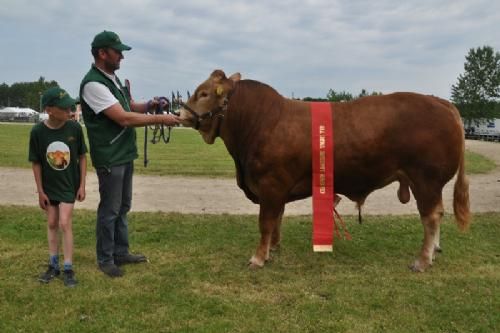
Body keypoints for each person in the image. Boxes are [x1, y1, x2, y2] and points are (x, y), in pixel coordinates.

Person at [80, 30, 180, 278]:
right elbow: (123, 118)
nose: (122, 57)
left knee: (123, 206)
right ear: (102, 53)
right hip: (110, 155)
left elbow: (128, 106)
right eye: (117, 52)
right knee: (110, 209)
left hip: (123, 153)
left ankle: (121, 252)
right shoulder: (93, 83)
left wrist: (150, 105)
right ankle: (105, 258)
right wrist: (159, 118)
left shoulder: (112, 80)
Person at [29, 87, 87, 287]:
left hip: (69, 185)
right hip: (49, 187)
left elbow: (81, 156)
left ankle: (68, 267)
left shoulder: (75, 129)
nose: (70, 111)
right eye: (65, 108)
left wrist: (82, 185)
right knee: (52, 223)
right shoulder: (37, 132)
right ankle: (53, 265)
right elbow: (36, 162)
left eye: (71, 107)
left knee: (64, 223)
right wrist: (40, 191)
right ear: (50, 110)